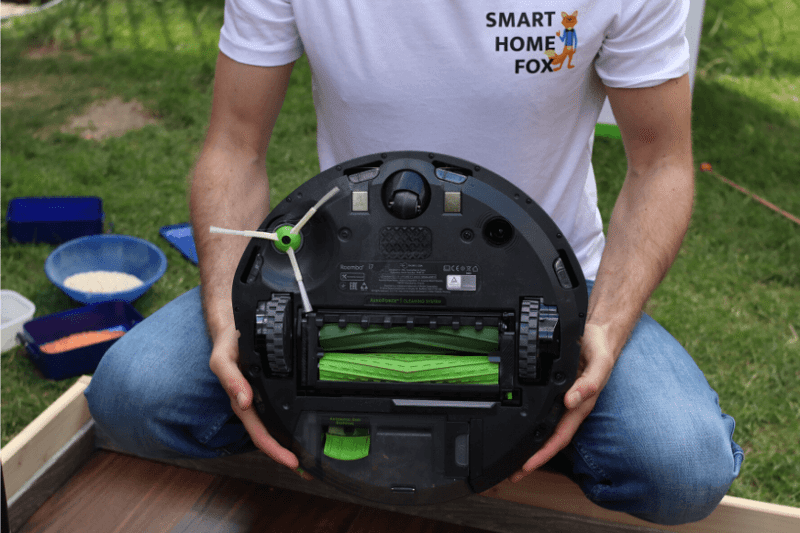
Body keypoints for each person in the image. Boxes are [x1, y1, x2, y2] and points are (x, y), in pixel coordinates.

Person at [85, 0, 743, 525]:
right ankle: (492, 423)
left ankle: (502, 426)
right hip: (339, 281)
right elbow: (233, 145)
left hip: (551, 288)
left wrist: (605, 325)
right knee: (132, 393)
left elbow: (662, 167)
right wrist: (228, 313)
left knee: (679, 465)